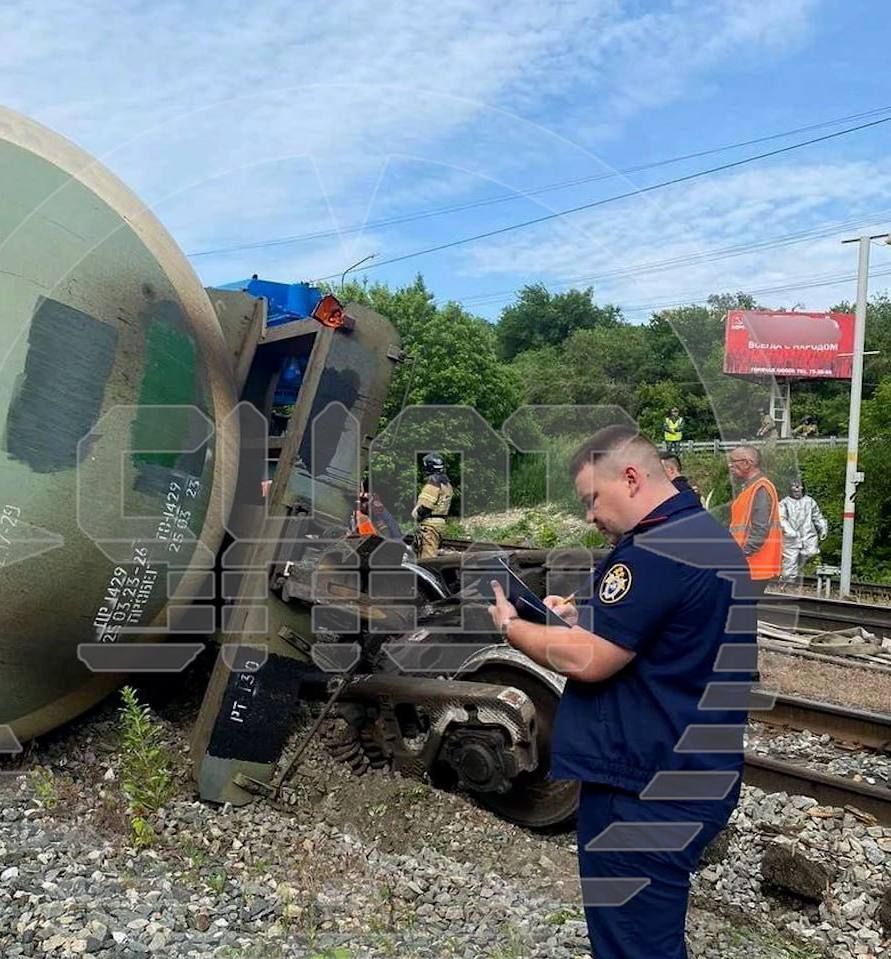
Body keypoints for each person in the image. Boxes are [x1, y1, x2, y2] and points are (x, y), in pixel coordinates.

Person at [488, 426, 754, 959]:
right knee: (645, 935)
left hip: (644, 789)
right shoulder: (698, 534)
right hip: (685, 772)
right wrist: (580, 616)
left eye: (592, 499)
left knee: (634, 945)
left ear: (630, 478)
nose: (590, 516)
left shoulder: (655, 551)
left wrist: (513, 629)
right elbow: (657, 630)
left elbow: (591, 661)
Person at [727, 445, 782, 594]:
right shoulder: (752, 488)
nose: (730, 465)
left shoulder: (760, 488)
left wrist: (739, 555)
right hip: (749, 564)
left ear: (747, 463)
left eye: (733, 461)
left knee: (739, 614)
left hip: (753, 565)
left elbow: (760, 530)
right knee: (740, 613)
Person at [779, 480, 828, 583]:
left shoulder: (810, 501)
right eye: (795, 491)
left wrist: (823, 528)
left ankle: (796, 570)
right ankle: (788, 583)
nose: (797, 493)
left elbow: (817, 516)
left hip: (808, 534)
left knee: (811, 552)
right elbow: (781, 519)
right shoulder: (784, 503)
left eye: (799, 491)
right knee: (790, 561)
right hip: (790, 537)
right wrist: (790, 531)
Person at [411, 452, 453, 560]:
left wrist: (417, 516)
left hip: (429, 526)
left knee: (426, 559)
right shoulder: (447, 484)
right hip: (441, 523)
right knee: (433, 554)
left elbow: (426, 506)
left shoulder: (432, 484)